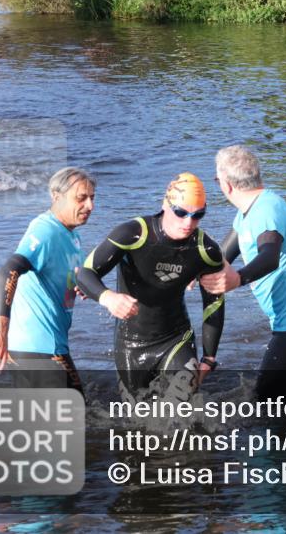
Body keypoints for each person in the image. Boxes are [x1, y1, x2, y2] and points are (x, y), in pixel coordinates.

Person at [76, 173, 226, 404]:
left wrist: (209, 357)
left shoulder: (206, 250)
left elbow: (214, 302)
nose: (188, 222)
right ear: (166, 205)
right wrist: (107, 297)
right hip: (131, 344)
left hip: (176, 338)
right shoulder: (132, 233)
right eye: (181, 212)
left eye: (198, 215)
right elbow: (86, 273)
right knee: (138, 421)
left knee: (183, 413)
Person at [200, 146, 286, 400]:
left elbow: (269, 257)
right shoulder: (251, 210)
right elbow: (220, 256)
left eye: (216, 180)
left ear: (226, 185)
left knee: (263, 401)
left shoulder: (266, 212)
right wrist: (190, 273)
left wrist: (236, 278)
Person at [0, 167, 99, 395]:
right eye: (81, 198)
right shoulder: (45, 230)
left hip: (46, 346)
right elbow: (8, 271)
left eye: (92, 198)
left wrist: (80, 286)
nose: (90, 206)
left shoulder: (72, 235)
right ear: (56, 196)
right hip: (38, 348)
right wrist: (0, 328)